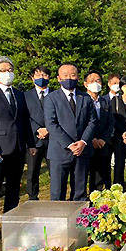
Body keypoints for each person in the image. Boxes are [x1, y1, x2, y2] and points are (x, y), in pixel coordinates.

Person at [0, 56, 35, 240]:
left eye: (10, 70)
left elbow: (25, 120)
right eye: (3, 70)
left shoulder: (19, 94)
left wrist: (31, 143)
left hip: (17, 148)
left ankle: (10, 221)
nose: (7, 73)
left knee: (14, 187)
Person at [44, 63, 97, 201]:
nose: (69, 78)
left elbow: (92, 121)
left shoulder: (85, 98)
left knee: (80, 192)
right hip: (59, 151)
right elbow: (51, 124)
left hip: (82, 151)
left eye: (73, 75)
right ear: (58, 78)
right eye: (65, 75)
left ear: (78, 77)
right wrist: (69, 144)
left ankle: (79, 214)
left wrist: (83, 142)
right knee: (57, 193)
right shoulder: (51, 98)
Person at [23, 65, 52, 201]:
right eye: (38, 75)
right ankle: (32, 197)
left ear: (49, 77)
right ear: (32, 78)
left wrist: (48, 129)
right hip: (34, 140)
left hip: (52, 139)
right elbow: (24, 117)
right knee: (32, 171)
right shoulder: (25, 96)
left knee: (55, 171)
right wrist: (37, 129)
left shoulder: (56, 95)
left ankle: (57, 197)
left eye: (45, 75)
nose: (42, 78)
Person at [84, 70, 113, 191]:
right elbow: (82, 123)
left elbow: (110, 123)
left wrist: (103, 139)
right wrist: (92, 138)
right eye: (92, 81)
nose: (95, 83)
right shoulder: (82, 100)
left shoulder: (105, 101)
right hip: (87, 142)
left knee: (102, 172)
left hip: (102, 143)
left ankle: (100, 195)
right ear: (85, 84)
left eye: (98, 80)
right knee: (86, 173)